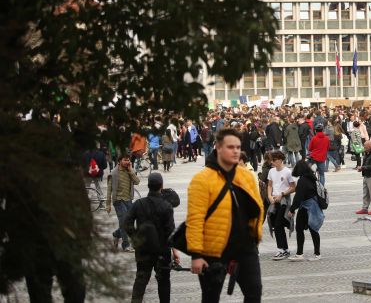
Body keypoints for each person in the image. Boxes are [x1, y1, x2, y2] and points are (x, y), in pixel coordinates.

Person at [187, 128, 264, 303]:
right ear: (218, 148)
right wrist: (196, 255)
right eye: (231, 147)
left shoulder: (246, 176)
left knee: (254, 293)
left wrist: (255, 233)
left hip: (245, 247)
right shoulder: (202, 179)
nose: (236, 151)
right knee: (210, 297)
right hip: (213, 249)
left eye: (238, 147)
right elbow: (195, 219)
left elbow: (257, 207)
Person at [125, 173, 178, 303]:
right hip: (162, 250)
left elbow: (127, 223)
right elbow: (170, 231)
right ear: (161, 186)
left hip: (143, 249)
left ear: (148, 186)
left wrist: (135, 238)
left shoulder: (138, 204)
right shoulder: (167, 206)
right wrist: (174, 251)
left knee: (141, 280)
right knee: (164, 281)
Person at [287, 161, 323, 261]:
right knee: (309, 229)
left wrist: (292, 209)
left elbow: (298, 197)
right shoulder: (311, 177)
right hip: (311, 206)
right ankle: (306, 253)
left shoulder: (303, 180)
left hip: (308, 207)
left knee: (308, 229)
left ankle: (312, 254)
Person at [106, 153, 140, 252]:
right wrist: (108, 204)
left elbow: (137, 181)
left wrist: (131, 171)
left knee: (128, 223)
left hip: (128, 199)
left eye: (128, 160)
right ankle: (126, 245)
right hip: (118, 200)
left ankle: (116, 234)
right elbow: (109, 190)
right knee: (125, 222)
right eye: (125, 160)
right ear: (119, 161)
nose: (127, 162)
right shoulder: (113, 173)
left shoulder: (130, 170)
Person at [267, 150, 296, 260]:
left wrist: (282, 194)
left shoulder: (287, 172)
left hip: (284, 202)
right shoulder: (271, 171)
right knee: (275, 225)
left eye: (274, 160)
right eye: (271, 160)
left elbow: (293, 187)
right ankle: (284, 249)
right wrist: (269, 196)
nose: (272, 162)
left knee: (279, 225)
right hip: (274, 201)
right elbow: (269, 185)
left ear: (280, 160)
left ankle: (282, 249)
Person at [355, 140, 371, 216]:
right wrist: (362, 168)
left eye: (365, 146)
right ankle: (365, 208)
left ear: (370, 146)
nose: (364, 147)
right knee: (365, 193)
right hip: (366, 175)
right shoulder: (367, 152)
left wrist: (362, 168)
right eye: (364, 146)